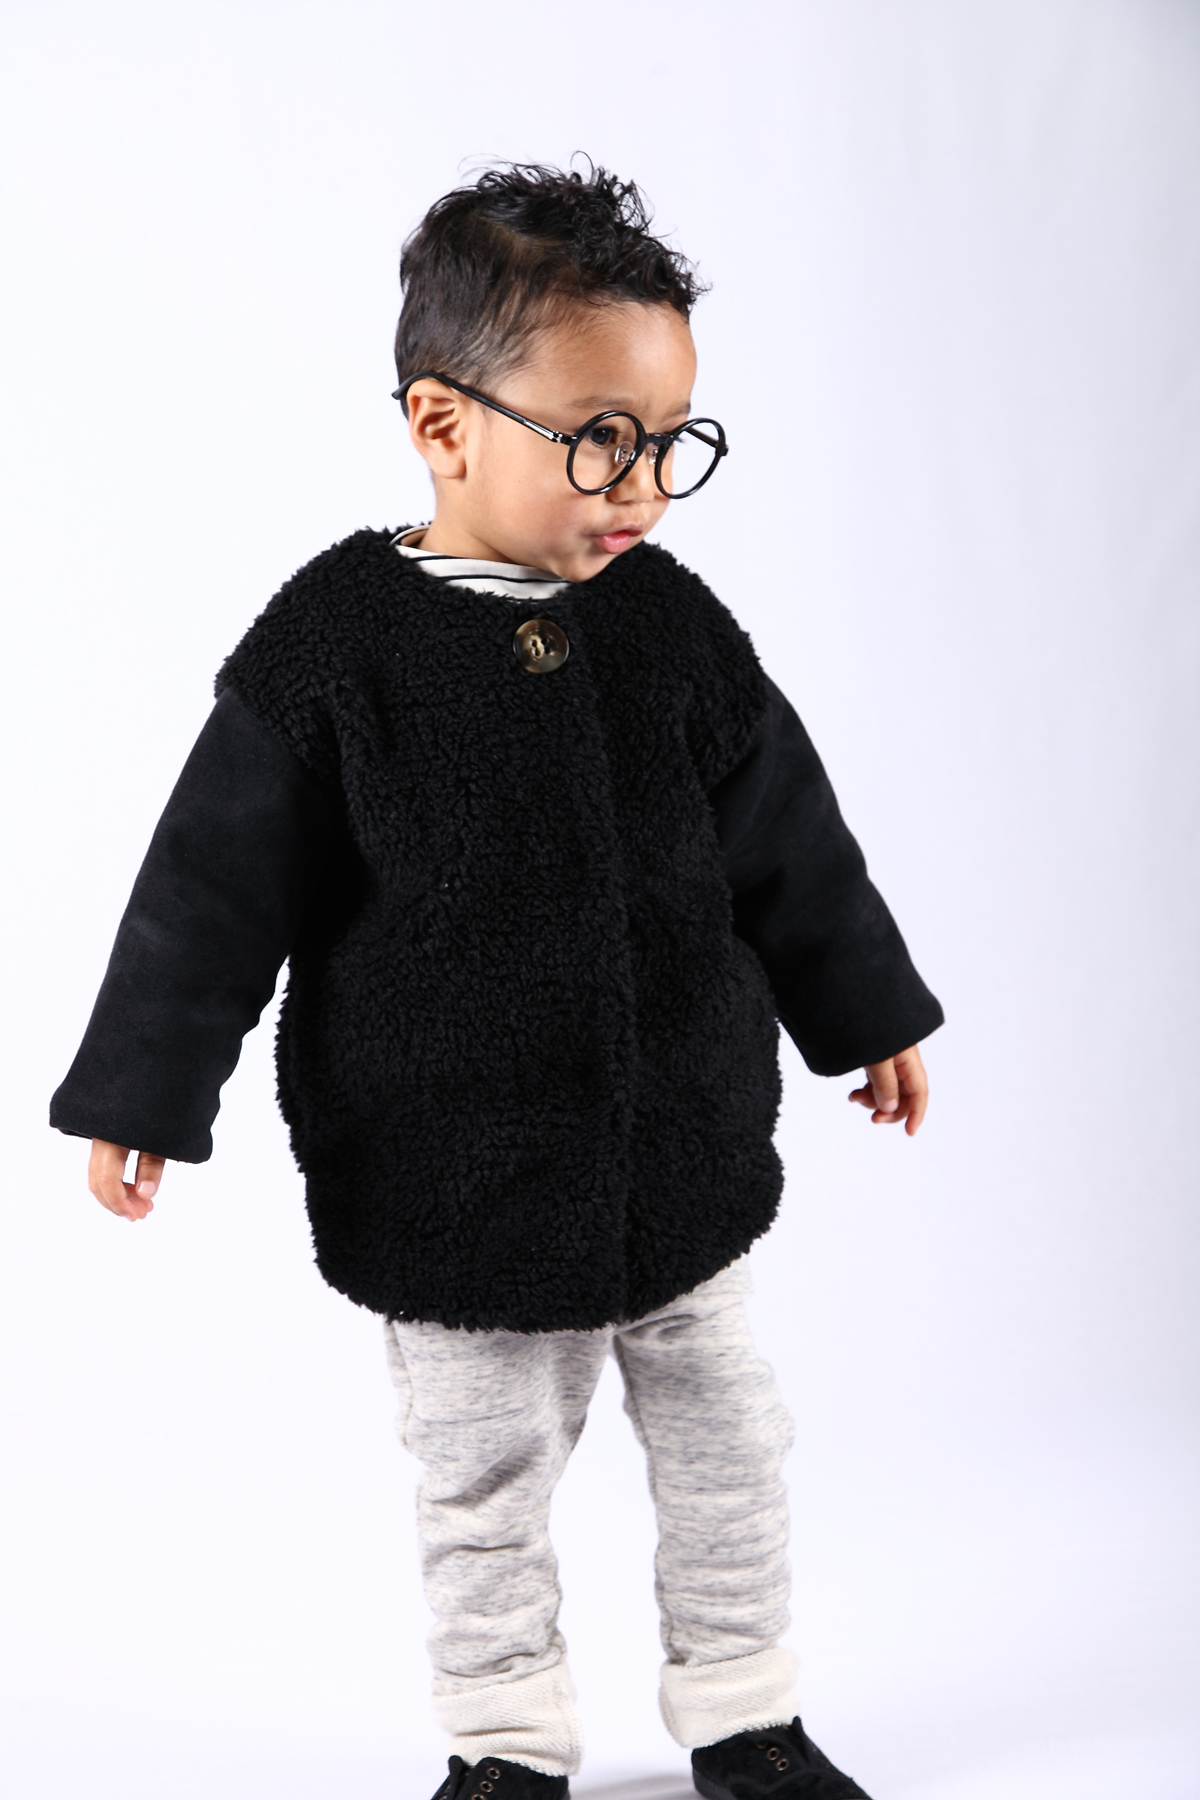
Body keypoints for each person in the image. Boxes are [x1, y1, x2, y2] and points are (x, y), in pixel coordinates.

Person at [51, 163, 943, 1800]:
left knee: (733, 1444)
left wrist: (865, 1011)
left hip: (678, 1151)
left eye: (669, 441)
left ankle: (747, 1713)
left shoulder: (673, 628)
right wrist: (146, 1090)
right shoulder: (331, 649)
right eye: (599, 438)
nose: (643, 486)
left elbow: (787, 841)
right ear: (441, 424)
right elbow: (210, 889)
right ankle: (508, 1741)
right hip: (449, 1175)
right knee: (481, 1480)